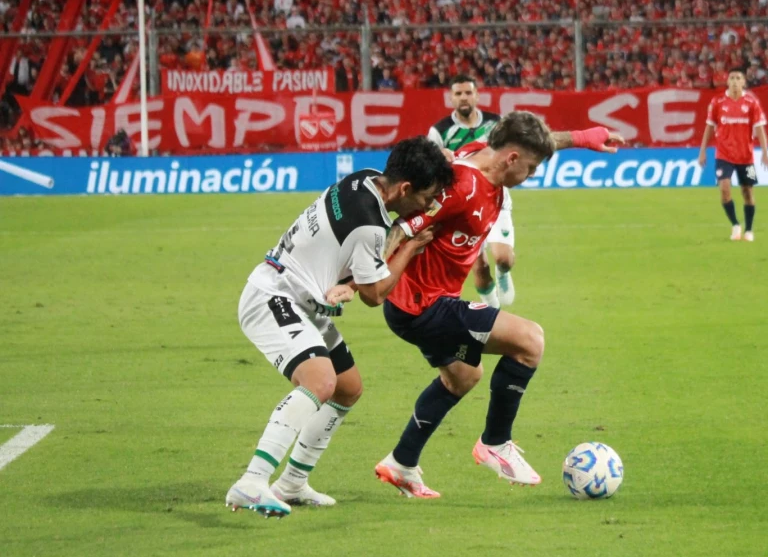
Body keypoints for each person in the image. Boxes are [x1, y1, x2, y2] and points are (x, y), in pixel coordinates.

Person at [373, 113, 624, 499]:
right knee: (529, 341)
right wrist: (358, 282)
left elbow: (537, 141)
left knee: (463, 377)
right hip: (422, 307)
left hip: (422, 303)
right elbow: (401, 225)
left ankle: (401, 462)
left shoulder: (483, 153)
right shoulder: (462, 188)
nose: (533, 174)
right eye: (532, 168)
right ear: (510, 159)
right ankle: (495, 443)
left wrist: (583, 136)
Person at [225, 138, 454, 518]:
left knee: (347, 388)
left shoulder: (364, 179)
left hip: (304, 298)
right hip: (274, 297)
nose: (429, 205)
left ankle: (293, 482)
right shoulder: (370, 228)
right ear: (404, 189)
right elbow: (376, 294)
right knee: (320, 383)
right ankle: (252, 481)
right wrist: (411, 249)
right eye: (428, 196)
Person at [425, 74, 514, 309]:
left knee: (504, 259)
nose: (463, 98)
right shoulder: (439, 132)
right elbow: (431, 168)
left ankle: (504, 273)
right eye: (458, 93)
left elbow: (511, 154)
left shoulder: (497, 124)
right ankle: (493, 312)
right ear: (451, 98)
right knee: (479, 266)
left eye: (468, 92)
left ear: (476, 95)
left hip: (496, 197)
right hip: (463, 205)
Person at [698, 69, 768, 242]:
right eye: (731, 78)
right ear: (727, 81)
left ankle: (749, 229)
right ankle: (735, 224)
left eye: (738, 78)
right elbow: (709, 127)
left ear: (744, 82)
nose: (734, 81)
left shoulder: (752, 102)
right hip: (723, 155)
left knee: (747, 192)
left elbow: (760, 129)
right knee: (724, 190)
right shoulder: (717, 102)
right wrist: (702, 151)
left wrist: (765, 153)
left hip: (746, 157)